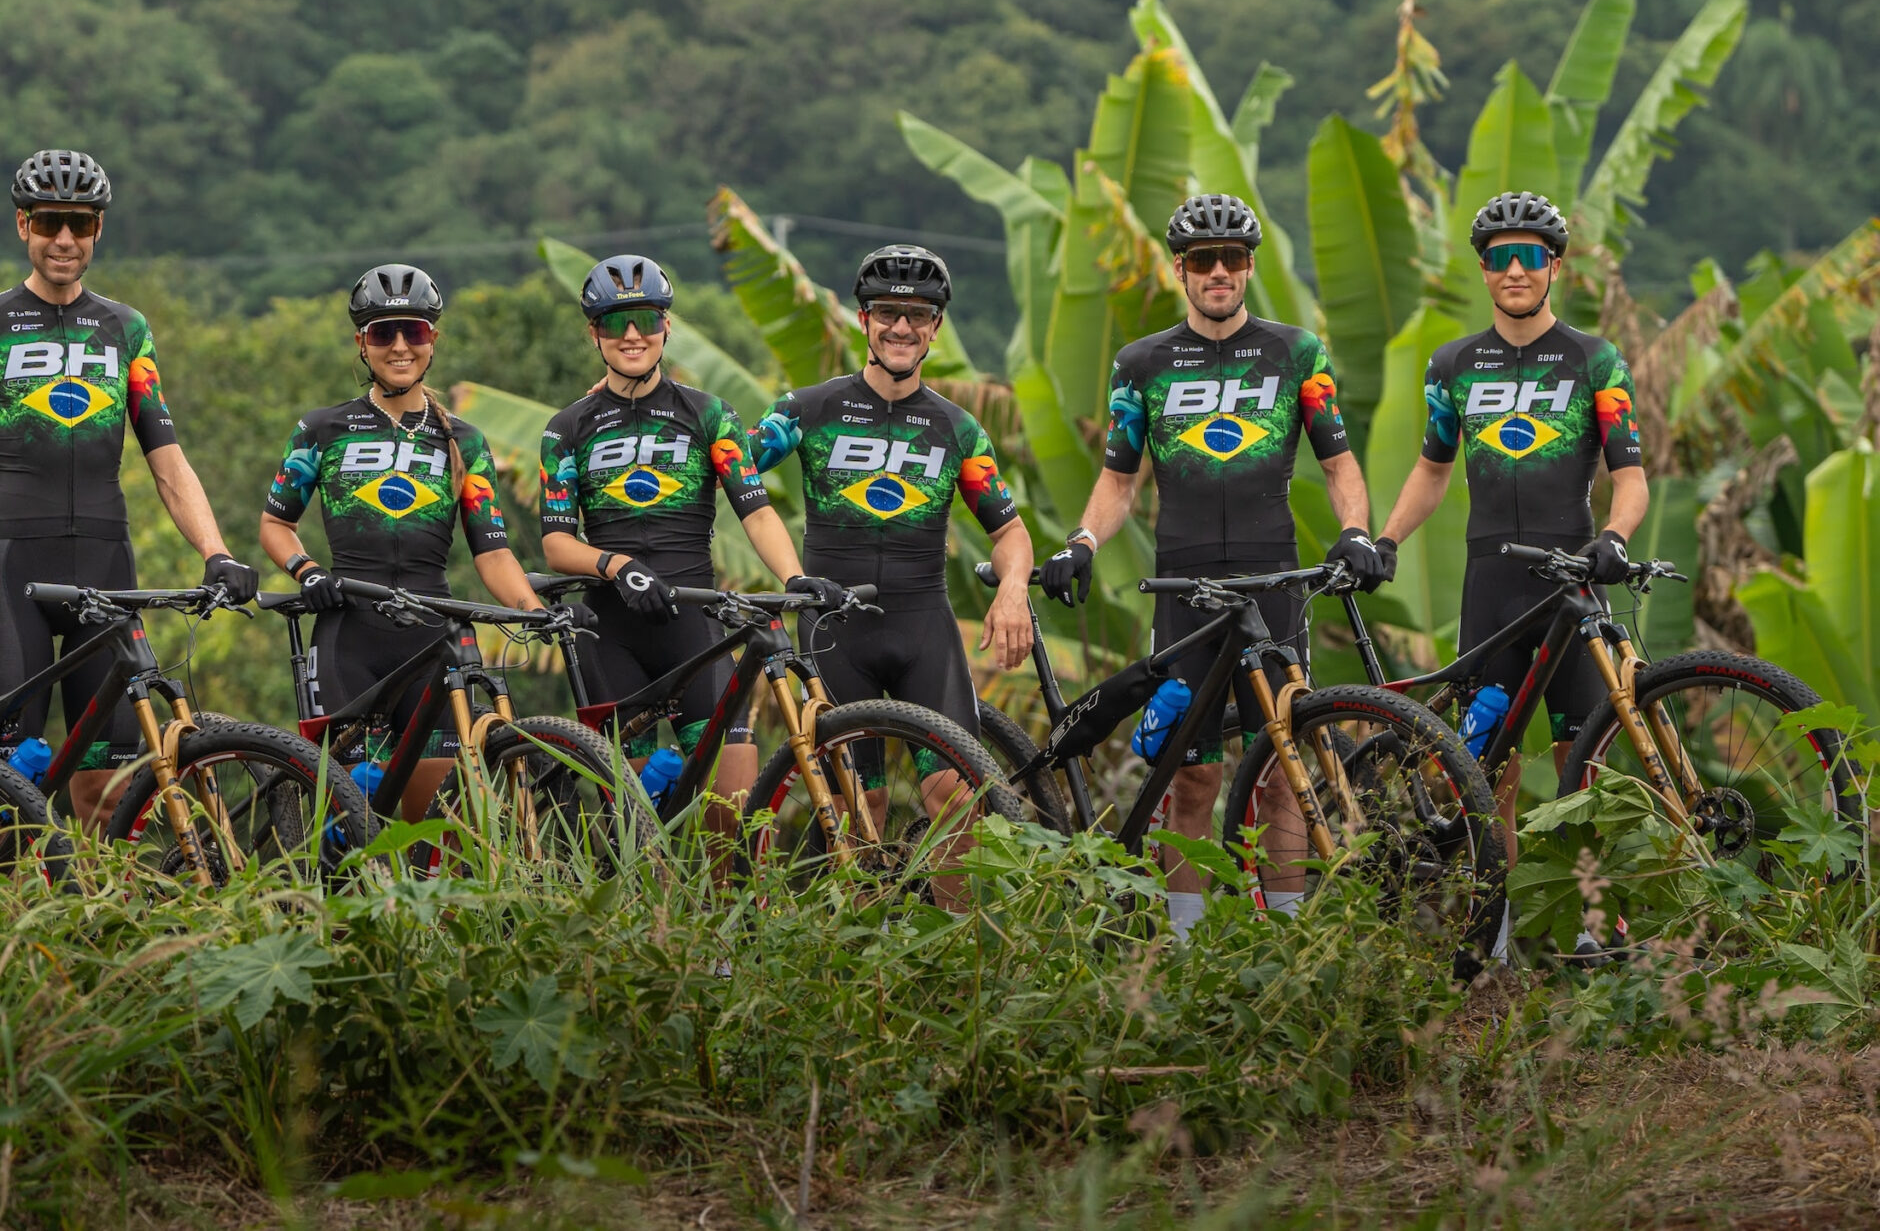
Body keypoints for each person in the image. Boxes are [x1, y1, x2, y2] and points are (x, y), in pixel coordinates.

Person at [1037, 194, 1381, 939]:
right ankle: (1186, 953)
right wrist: (1081, 543)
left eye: (1232, 258)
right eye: (1202, 260)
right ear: (1181, 270)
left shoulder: (1296, 352)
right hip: (1184, 587)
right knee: (1189, 776)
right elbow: (1118, 481)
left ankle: (1287, 942)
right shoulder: (1143, 364)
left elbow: (1339, 462)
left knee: (1285, 776)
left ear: (1250, 266)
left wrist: (1356, 529)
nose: (1218, 271)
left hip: (1274, 584)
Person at [0, 150, 257, 832]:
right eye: (51, 222)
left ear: (97, 230)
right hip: (13, 575)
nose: (65, 239)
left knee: (107, 788)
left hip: (105, 567)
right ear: (23, 225)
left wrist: (216, 551)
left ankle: (102, 931)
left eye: (81, 224)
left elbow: (169, 462)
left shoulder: (126, 328)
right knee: (9, 787)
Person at [1376, 192, 1646, 956]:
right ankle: (1494, 936)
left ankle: (1598, 928)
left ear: (1556, 266)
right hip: (1490, 583)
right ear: (1485, 270)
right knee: (1483, 764)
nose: (1517, 269)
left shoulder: (1594, 359)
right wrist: (1388, 539)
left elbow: (1631, 476)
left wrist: (1617, 536)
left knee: (1580, 761)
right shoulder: (1453, 364)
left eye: (1532, 255)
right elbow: (1432, 472)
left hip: (1573, 580)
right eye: (1501, 257)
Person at [538, 255, 839, 831]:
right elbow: (556, 542)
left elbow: (754, 511)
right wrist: (617, 565)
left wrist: (792, 577)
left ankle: (733, 919)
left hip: (694, 627)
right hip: (612, 634)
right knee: (634, 827)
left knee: (737, 820)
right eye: (615, 322)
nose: (632, 335)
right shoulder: (567, 427)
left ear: (666, 328)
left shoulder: (710, 414)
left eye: (646, 320)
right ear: (594, 332)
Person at [747, 245, 1039, 832]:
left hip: (922, 624)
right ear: (864, 320)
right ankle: (862, 922)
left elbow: (1009, 530)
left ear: (935, 326)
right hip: (834, 630)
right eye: (886, 313)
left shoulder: (957, 428)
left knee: (956, 804)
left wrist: (1012, 588)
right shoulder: (808, 409)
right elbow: (732, 476)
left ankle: (955, 926)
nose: (901, 327)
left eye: (917, 315)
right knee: (863, 809)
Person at [259, 264, 547, 823]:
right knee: (346, 817)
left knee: (431, 827)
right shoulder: (322, 430)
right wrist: (306, 570)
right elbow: (275, 525)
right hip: (347, 636)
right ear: (361, 343)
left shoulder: (463, 440)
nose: (398, 346)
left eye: (412, 332)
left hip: (428, 634)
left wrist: (531, 609)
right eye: (380, 333)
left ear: (431, 340)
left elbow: (491, 550)